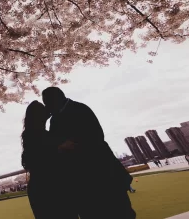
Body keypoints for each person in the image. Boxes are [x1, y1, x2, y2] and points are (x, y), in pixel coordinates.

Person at [42, 87, 136, 219]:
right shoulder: (55, 118)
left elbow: (96, 136)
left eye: (47, 103)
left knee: (120, 211)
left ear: (55, 100)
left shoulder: (80, 109)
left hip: (102, 171)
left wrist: (71, 145)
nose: (47, 107)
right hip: (81, 180)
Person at [21, 101, 74, 219]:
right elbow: (31, 160)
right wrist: (60, 148)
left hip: (48, 187)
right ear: (38, 115)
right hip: (45, 189)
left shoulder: (42, 134)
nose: (47, 109)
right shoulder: (33, 135)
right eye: (43, 108)